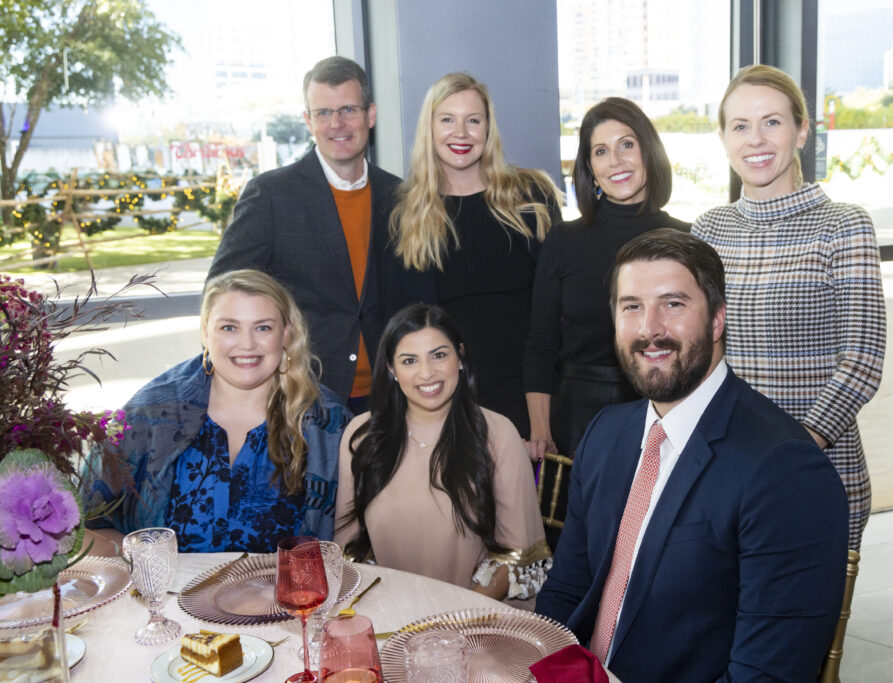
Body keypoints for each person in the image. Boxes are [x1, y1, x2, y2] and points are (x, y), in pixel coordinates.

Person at [534, 229, 849, 682]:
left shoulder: (785, 469)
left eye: (673, 304)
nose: (650, 329)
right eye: (632, 307)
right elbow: (566, 592)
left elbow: (765, 675)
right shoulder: (606, 434)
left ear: (718, 320)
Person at [691, 64, 886, 551]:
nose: (755, 139)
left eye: (772, 122)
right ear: (723, 138)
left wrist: (791, 450)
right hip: (723, 472)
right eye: (740, 126)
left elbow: (862, 360)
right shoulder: (708, 229)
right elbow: (697, 351)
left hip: (816, 468)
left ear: (801, 132)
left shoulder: (843, 226)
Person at [85, 270, 351, 553]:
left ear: (286, 334)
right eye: (229, 328)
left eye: (263, 328)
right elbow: (83, 527)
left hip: (287, 585)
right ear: (205, 332)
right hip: (168, 584)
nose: (247, 344)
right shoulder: (149, 413)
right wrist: (141, 560)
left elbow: (352, 543)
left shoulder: (328, 423)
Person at [207, 56, 401, 413]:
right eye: (323, 113)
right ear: (308, 120)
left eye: (348, 109)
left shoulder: (400, 195)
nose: (337, 123)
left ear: (370, 115)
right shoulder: (270, 195)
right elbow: (222, 293)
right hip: (303, 396)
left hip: (390, 394)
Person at [334, 304, 551, 601]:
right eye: (409, 360)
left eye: (438, 355)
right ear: (391, 369)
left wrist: (454, 618)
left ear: (459, 357)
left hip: (475, 614)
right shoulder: (363, 437)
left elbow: (517, 557)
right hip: (388, 612)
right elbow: (349, 550)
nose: (426, 373)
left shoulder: (498, 434)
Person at [384, 72, 562, 437]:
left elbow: (555, 317)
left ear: (488, 128)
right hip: (443, 404)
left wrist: (541, 418)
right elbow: (398, 327)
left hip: (529, 400)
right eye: (447, 120)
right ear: (429, 128)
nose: (461, 133)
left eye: (473, 120)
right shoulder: (404, 213)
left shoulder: (532, 196)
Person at [524, 97, 690, 464]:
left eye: (626, 144)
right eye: (601, 151)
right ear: (590, 168)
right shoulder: (564, 240)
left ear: (649, 151)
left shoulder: (687, 239)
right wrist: (540, 430)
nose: (615, 160)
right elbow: (540, 346)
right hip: (577, 420)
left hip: (668, 408)